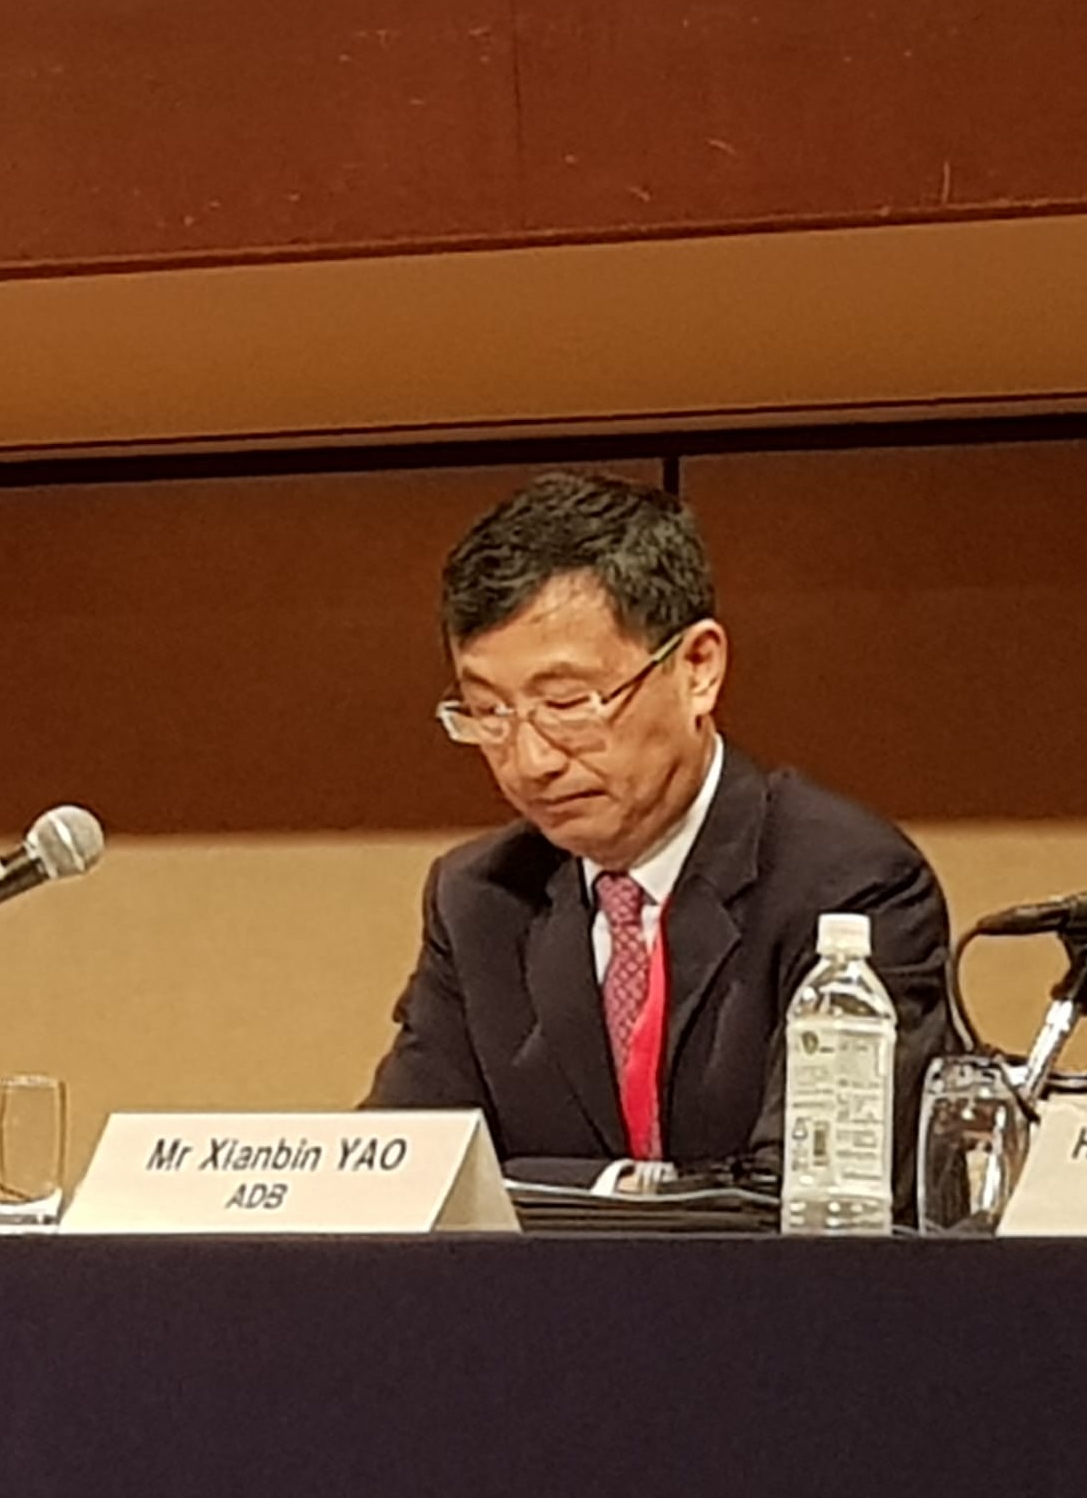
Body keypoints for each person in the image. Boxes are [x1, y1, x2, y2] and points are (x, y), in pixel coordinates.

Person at [366, 471, 954, 1192]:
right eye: (489, 713)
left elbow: (804, 1198)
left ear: (698, 669)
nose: (530, 760)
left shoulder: (847, 883)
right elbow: (404, 1177)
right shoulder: (480, 898)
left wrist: (562, 1187)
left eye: (567, 703)